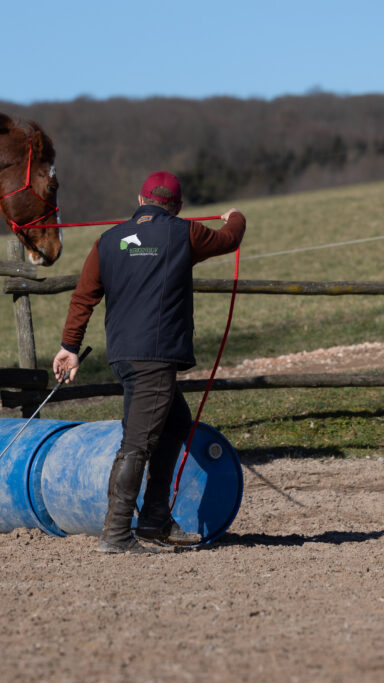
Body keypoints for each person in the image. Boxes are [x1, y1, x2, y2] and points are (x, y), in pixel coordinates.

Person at [52, 171, 246, 553]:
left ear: (140, 201)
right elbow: (229, 239)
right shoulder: (185, 233)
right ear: (177, 207)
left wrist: (69, 346)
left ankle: (155, 519)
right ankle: (117, 533)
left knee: (175, 425)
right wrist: (235, 215)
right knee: (137, 444)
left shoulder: (107, 240)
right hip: (154, 359)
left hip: (123, 355)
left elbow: (83, 297)